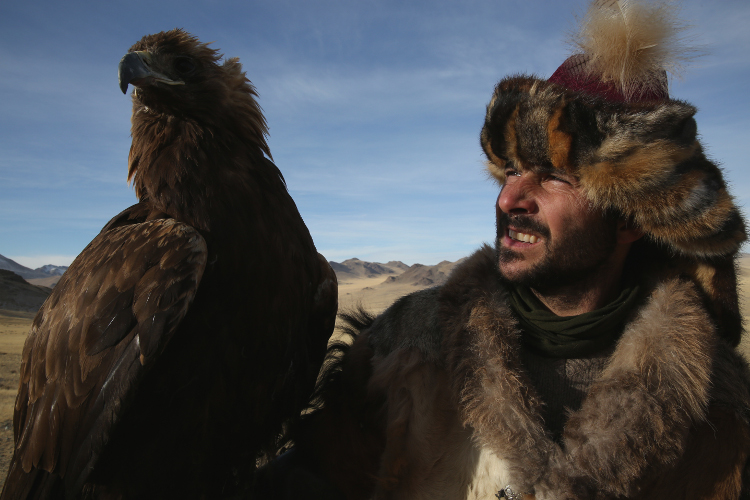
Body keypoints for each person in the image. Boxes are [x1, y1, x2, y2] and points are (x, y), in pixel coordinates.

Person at [254, 1, 750, 498]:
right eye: (511, 169)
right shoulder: (409, 343)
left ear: (629, 220)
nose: (509, 198)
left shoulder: (716, 405)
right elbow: (310, 479)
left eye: (553, 176)